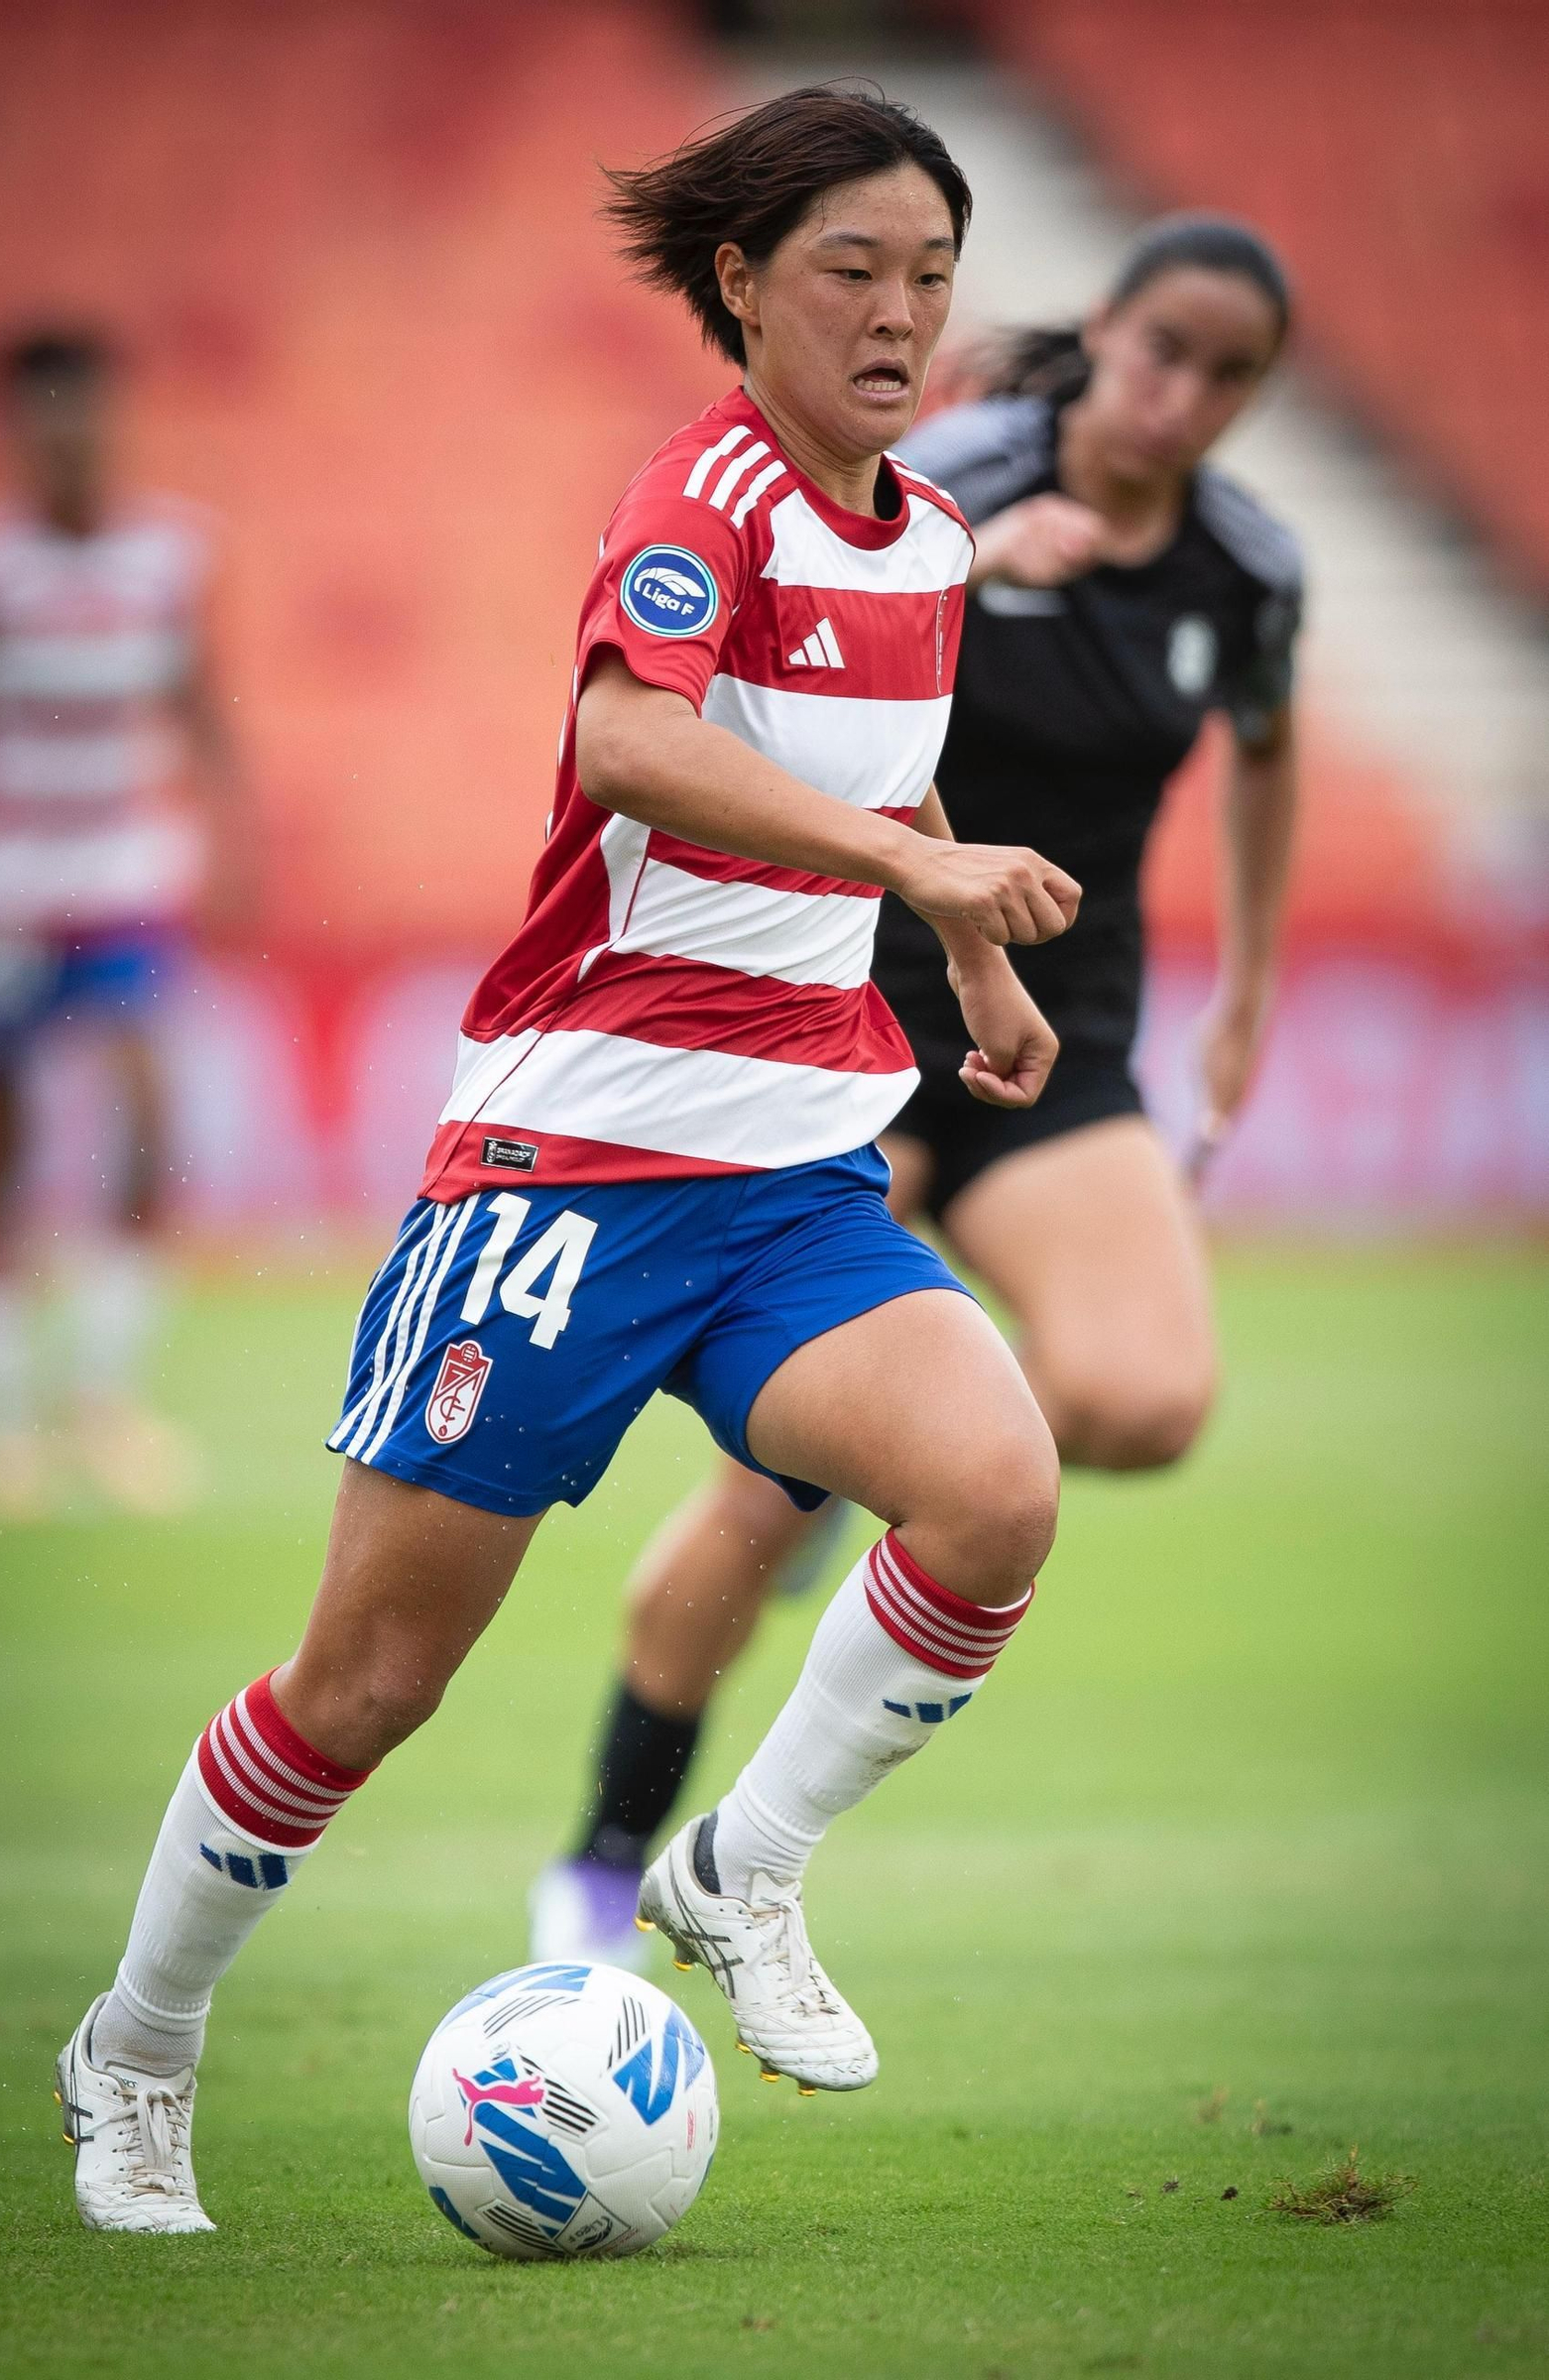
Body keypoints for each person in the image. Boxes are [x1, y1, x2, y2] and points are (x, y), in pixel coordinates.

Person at [56, 84, 1086, 2238]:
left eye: (929, 276)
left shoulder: (927, 541)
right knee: (366, 1687)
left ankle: (740, 1864)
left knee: (993, 1490)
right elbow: (635, 739)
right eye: (849, 274)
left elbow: (861, 809)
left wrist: (962, 951)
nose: (899, 317)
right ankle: (135, 2051)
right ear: (739, 284)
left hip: (797, 1171)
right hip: (568, 1167)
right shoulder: (697, 493)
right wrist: (936, 861)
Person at [531, 212, 1303, 1971]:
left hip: (1056, 1021)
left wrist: (1248, 982)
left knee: (1144, 1398)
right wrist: (974, 572)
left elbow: (1269, 748)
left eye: (1230, 377)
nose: (1183, 399)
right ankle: (596, 1867)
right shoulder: (936, 485)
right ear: (1103, 330)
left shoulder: (1248, 574)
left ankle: (908, 1444)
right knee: (748, 1524)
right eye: (1162, 350)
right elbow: (720, 690)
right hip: (841, 1002)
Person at [0, 329, 248, 1518]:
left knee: (146, 1118)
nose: (70, 437)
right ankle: (5, 1422)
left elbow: (200, 707)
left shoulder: (167, 553)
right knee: (3, 1153)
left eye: (87, 412)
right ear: (19, 431)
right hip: (6, 892)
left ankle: (104, 1399)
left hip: (128, 878)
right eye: (48, 417)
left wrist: (234, 837)